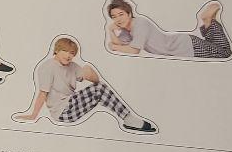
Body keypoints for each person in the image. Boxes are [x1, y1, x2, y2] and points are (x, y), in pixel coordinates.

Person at [14, 36, 157, 132]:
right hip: (63, 112)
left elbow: (96, 81)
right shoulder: (47, 67)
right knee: (99, 89)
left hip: (71, 106)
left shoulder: (72, 66)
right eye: (65, 51)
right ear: (56, 50)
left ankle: (128, 119)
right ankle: (128, 118)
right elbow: (42, 93)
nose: (68, 55)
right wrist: (33, 115)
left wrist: (89, 70)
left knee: (99, 89)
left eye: (72, 53)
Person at [106, 0, 232, 59]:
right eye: (114, 17)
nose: (118, 19)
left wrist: (114, 46)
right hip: (182, 45)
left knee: (225, 53)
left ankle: (207, 20)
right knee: (213, 45)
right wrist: (111, 30)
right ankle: (209, 21)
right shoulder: (127, 29)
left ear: (129, 14)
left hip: (185, 46)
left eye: (121, 14)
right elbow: (120, 44)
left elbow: (133, 51)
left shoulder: (139, 24)